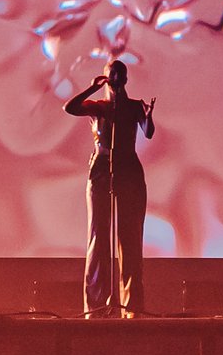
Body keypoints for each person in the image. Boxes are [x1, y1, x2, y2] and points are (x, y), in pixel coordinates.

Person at [64, 61, 155, 318]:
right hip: (102, 169)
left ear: (125, 78)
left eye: (120, 73)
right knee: (99, 236)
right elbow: (69, 108)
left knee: (130, 237)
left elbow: (147, 132)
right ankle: (96, 306)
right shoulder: (100, 107)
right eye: (112, 73)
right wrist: (91, 89)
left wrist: (148, 118)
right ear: (106, 77)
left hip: (129, 169)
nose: (117, 76)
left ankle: (132, 306)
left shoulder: (135, 106)